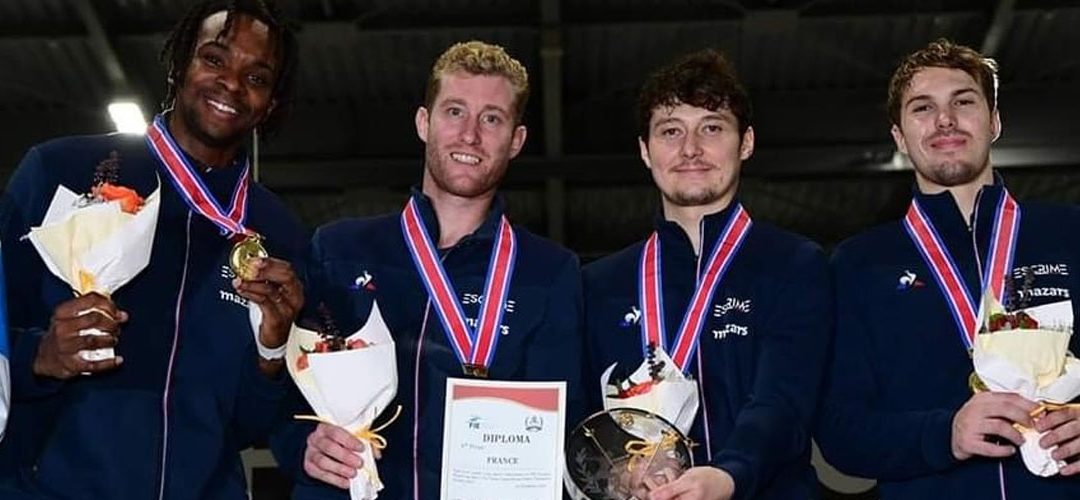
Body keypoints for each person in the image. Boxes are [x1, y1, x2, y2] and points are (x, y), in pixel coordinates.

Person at [0, 1, 306, 498]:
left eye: (257, 78)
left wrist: (272, 354)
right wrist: (40, 355)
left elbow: (250, 426)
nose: (231, 84)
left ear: (270, 104)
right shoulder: (60, 171)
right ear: (179, 63)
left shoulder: (278, 234)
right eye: (214, 59)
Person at [275, 40, 584, 499]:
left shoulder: (550, 272)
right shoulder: (338, 250)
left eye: (492, 119)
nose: (470, 135)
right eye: (455, 112)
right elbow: (279, 390)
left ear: (517, 140)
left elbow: (564, 424)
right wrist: (301, 443)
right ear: (424, 122)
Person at [815, 39, 1080, 498]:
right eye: (922, 108)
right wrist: (945, 436)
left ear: (994, 122)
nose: (945, 120)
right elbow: (839, 432)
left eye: (963, 102)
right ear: (899, 137)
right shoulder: (858, 265)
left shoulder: (1069, 233)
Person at [582, 49, 830, 500]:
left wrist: (729, 475)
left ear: (746, 142)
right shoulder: (598, 285)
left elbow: (784, 401)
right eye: (670, 131)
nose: (690, 149)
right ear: (644, 150)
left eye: (711, 128)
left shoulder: (794, 264)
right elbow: (584, 421)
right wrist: (619, 474)